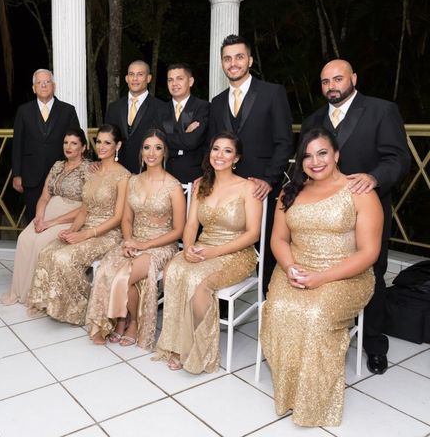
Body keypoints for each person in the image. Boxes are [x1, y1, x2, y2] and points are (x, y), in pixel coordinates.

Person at [260, 127, 383, 427]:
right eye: (308, 156)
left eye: (323, 153)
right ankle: (289, 390)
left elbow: (368, 253)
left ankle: (314, 402)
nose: (315, 161)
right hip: (294, 268)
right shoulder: (290, 192)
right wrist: (289, 267)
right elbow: (278, 240)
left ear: (337, 155)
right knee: (278, 309)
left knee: (314, 314)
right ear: (300, 161)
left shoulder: (359, 192)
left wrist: (322, 278)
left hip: (346, 275)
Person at [301, 59, 410, 375]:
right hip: (324, 218)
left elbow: (398, 158)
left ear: (354, 78)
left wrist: (375, 178)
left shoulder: (381, 110)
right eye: (325, 81)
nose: (331, 86)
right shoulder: (312, 120)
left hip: (367, 213)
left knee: (373, 276)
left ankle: (374, 344)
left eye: (337, 79)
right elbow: (307, 166)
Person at [155, 132, 262, 373]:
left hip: (236, 253)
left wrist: (215, 252)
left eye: (227, 151)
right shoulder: (201, 184)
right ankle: (175, 341)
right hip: (203, 246)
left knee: (196, 279)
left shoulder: (248, 188)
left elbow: (253, 234)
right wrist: (188, 247)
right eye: (216, 149)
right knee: (173, 269)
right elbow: (191, 225)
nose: (220, 155)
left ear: (237, 158)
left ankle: (195, 349)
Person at [86, 129, 185, 349]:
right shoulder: (133, 181)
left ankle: (133, 322)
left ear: (164, 152)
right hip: (133, 241)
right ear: (141, 152)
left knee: (124, 276)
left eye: (157, 148)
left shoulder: (173, 186)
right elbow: (127, 219)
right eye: (147, 147)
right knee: (105, 269)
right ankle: (119, 318)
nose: (151, 153)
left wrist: (144, 245)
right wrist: (130, 241)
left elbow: (178, 230)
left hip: (160, 245)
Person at [208, 35, 293, 291]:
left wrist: (269, 180)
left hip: (261, 187)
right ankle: (220, 303)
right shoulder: (217, 102)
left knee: (266, 250)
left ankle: (267, 302)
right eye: (227, 58)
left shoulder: (272, 93)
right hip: (227, 191)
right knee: (227, 241)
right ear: (223, 64)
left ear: (250, 60)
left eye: (239, 57)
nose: (233, 63)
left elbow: (284, 141)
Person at [26, 124, 130, 325]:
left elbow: (118, 218)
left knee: (65, 258)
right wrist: (72, 230)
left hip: (107, 233)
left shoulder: (123, 176)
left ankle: (81, 309)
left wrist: (85, 234)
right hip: (85, 226)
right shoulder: (92, 171)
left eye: (107, 143)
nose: (101, 146)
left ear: (118, 146)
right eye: (98, 141)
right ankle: (55, 304)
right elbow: (84, 209)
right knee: (48, 252)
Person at [1, 128, 90, 306]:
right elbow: (44, 196)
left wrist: (51, 223)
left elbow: (86, 206)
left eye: (74, 143)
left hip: (71, 217)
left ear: (84, 147)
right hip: (48, 212)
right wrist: (39, 217)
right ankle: (19, 291)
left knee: (40, 243)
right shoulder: (57, 165)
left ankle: (36, 295)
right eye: (66, 143)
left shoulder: (89, 169)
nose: (68, 147)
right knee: (24, 239)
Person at [12, 69, 80, 221]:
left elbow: (77, 141)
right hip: (31, 174)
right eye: (39, 83)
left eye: (47, 82)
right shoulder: (23, 111)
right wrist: (17, 174)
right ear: (34, 88)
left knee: (57, 218)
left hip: (61, 174)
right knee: (32, 217)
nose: (43, 85)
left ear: (54, 86)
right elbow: (17, 144)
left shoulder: (68, 110)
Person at [106, 60, 163, 174]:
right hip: (117, 171)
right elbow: (107, 138)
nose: (135, 79)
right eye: (131, 74)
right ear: (127, 78)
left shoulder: (161, 107)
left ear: (148, 78)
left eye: (140, 74)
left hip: (147, 172)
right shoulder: (114, 107)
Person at [156, 63, 209, 184]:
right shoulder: (160, 110)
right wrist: (185, 134)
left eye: (179, 79)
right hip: (163, 175)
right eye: (170, 80)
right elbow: (157, 141)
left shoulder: (202, 107)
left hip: (193, 178)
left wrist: (167, 139)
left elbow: (193, 141)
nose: (174, 84)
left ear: (190, 81)